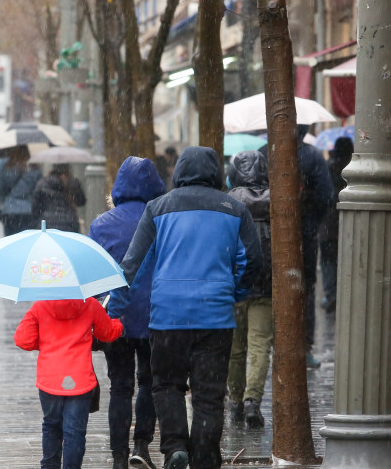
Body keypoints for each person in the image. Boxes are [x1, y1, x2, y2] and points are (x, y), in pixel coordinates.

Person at [117, 146, 263, 469]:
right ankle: (206, 457)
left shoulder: (158, 208)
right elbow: (254, 260)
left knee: (166, 385)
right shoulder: (235, 210)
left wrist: (115, 308)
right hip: (215, 317)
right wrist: (234, 291)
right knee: (208, 396)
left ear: (179, 171)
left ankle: (175, 448)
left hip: (168, 317)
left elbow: (132, 264)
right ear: (214, 172)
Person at [89, 157, 165, 469]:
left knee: (120, 385)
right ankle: (141, 446)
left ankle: (118, 457)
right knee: (148, 381)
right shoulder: (161, 220)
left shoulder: (102, 224)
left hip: (114, 317)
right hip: (153, 315)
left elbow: (93, 275)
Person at [14, 297, 124, 469]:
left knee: (51, 425)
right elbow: (107, 333)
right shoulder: (90, 304)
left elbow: (23, 339)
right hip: (79, 378)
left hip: (50, 377)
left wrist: (46, 345)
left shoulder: (40, 306)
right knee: (75, 432)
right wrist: (118, 323)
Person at [262, 125, 332, 368]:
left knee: (272, 289)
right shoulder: (312, 156)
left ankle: (274, 343)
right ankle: (304, 347)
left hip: (270, 235)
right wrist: (310, 220)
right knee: (305, 289)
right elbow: (326, 195)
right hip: (305, 235)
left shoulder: (264, 153)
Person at [225, 150, 273, 430]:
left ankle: (235, 400)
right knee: (259, 346)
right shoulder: (276, 198)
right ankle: (253, 401)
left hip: (236, 283)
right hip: (266, 285)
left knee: (235, 347)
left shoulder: (229, 201)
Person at [318, 136, 353, 314]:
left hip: (327, 225)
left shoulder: (328, 167)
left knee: (328, 262)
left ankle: (331, 294)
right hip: (348, 226)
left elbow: (323, 195)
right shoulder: (353, 170)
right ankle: (344, 294)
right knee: (346, 262)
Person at [0, 146, 42, 235]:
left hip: (9, 210)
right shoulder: (34, 165)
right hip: (29, 210)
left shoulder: (5, 164)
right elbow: (39, 190)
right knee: (28, 243)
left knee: (11, 243)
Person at [32, 163, 87, 232]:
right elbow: (81, 202)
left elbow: (35, 208)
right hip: (69, 223)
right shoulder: (72, 182)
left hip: (46, 223)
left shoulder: (42, 183)